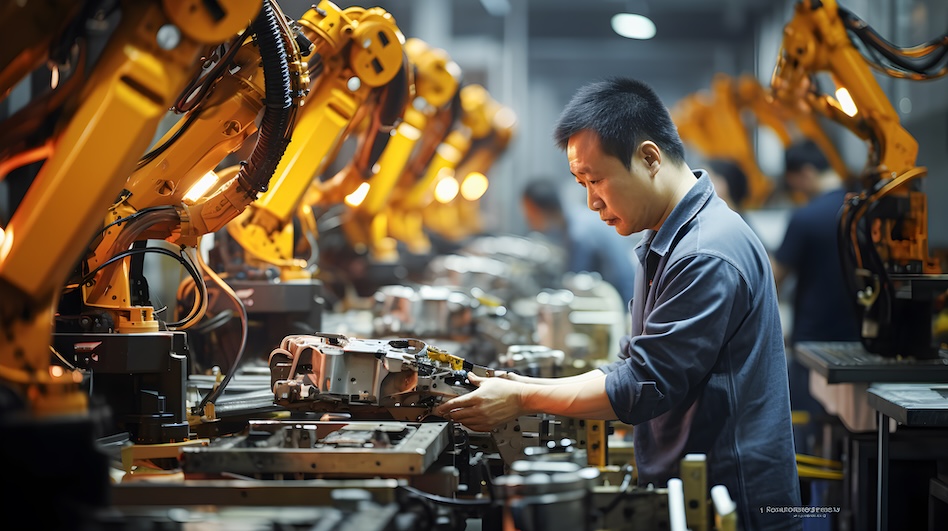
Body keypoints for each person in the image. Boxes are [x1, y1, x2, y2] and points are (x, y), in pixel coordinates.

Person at [434, 77, 801, 530]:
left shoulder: (705, 254)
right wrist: (524, 384)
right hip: (694, 485)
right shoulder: (669, 239)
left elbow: (644, 384)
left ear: (649, 157)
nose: (591, 201)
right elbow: (630, 366)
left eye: (597, 179)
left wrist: (525, 398)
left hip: (733, 500)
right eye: (580, 183)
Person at [771, 140, 860, 455]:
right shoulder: (864, 211)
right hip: (861, 347)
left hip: (814, 346)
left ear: (806, 173)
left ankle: (810, 497)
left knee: (809, 432)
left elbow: (774, 278)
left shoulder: (806, 218)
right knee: (854, 432)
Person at [521, 177, 636, 303]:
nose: (528, 221)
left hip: (621, 302)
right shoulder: (576, 217)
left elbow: (574, 283)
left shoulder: (579, 233)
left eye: (529, 214)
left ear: (538, 210)